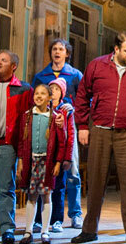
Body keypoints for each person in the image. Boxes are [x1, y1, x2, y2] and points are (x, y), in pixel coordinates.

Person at [73, 32, 126, 244]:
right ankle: (89, 229)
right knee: (95, 182)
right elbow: (83, 95)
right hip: (100, 130)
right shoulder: (96, 66)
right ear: (116, 50)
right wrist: (83, 126)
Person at [32, 39, 83, 232]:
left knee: (72, 171)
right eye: (54, 49)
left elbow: (86, 99)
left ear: (67, 53)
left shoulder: (75, 75)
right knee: (46, 172)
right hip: (46, 128)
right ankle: (42, 217)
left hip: (68, 127)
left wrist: (75, 111)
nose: (57, 52)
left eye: (61, 49)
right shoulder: (41, 76)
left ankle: (75, 214)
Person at [15, 83, 66, 244]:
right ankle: (28, 231)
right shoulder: (27, 116)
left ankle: (45, 231)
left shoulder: (54, 117)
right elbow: (22, 142)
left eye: (43, 93)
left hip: (47, 163)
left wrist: (58, 162)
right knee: (31, 196)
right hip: (31, 162)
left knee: (46, 196)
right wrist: (21, 161)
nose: (38, 96)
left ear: (49, 98)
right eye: (36, 93)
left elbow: (61, 142)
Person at [0, 49, 33, 244]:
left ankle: (7, 229)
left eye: (3, 60)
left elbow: (28, 121)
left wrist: (22, 154)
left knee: (6, 189)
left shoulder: (24, 89)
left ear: (13, 66)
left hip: (7, 144)